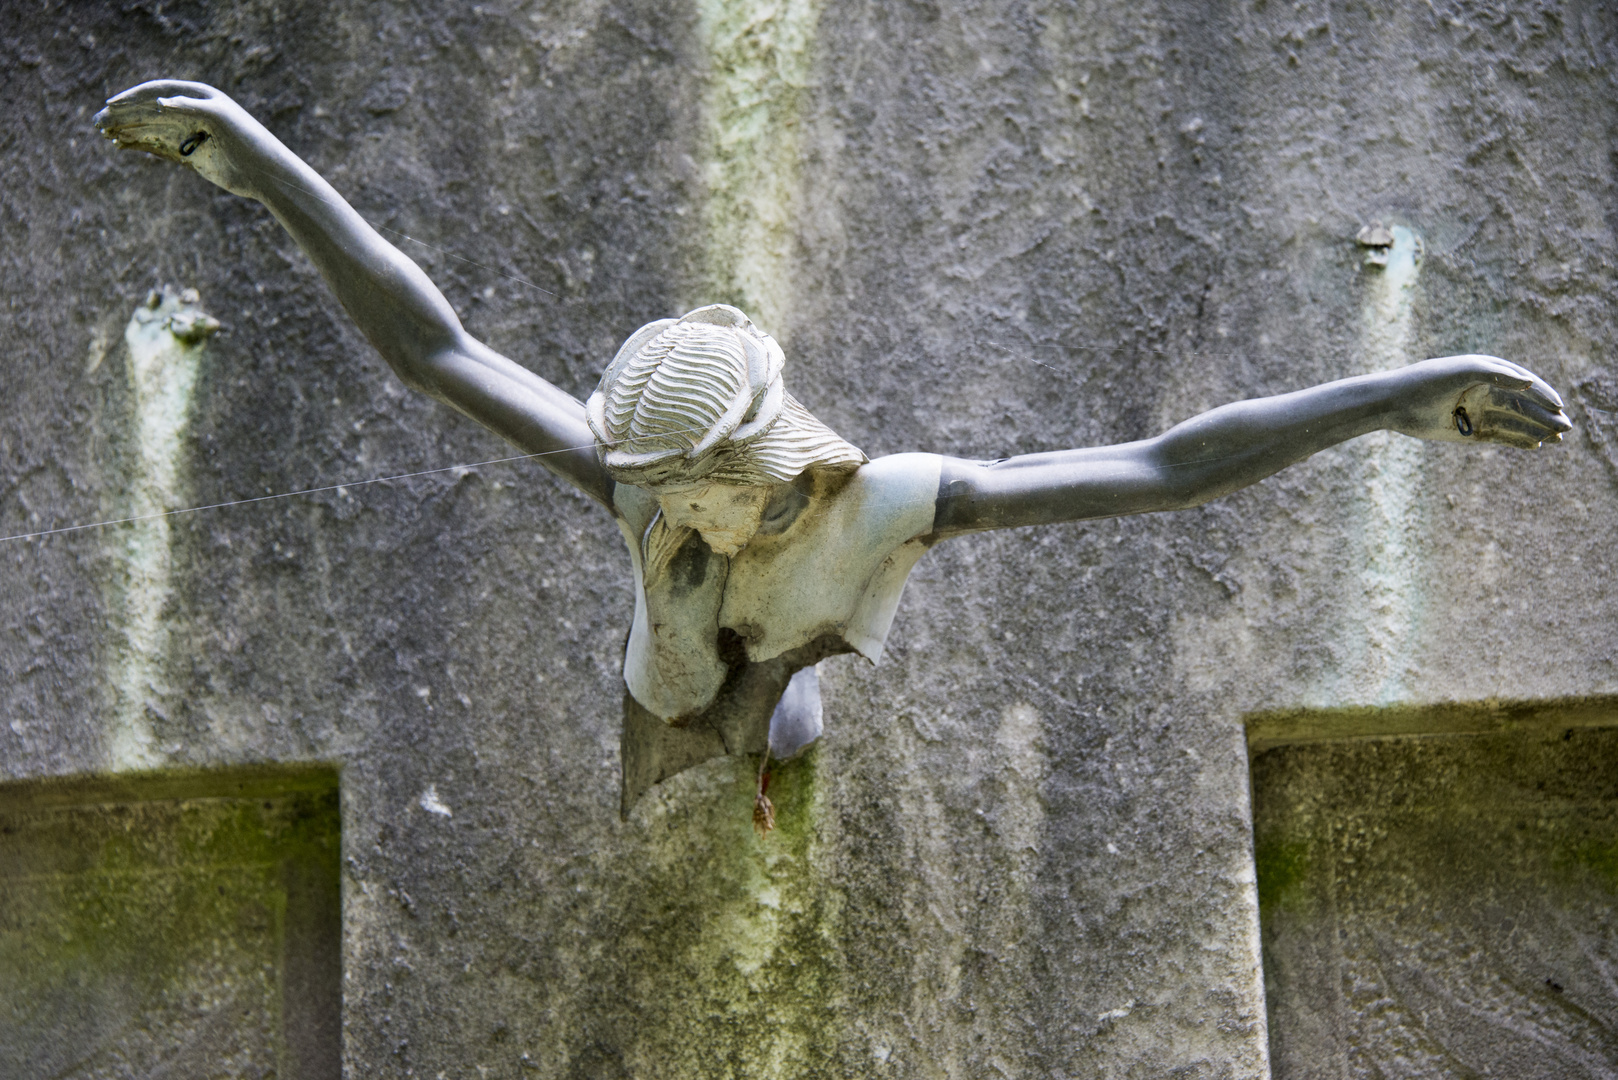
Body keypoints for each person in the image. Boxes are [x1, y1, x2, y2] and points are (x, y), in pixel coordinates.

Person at [94, 81, 1572, 812]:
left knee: (769, 717)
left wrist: (1403, 396)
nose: (685, 507)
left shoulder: (894, 505)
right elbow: (437, 349)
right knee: (677, 678)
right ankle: (707, 715)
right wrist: (250, 156)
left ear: (786, 463)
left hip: (783, 697)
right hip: (665, 691)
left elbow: (1167, 463)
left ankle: (756, 731)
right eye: (663, 486)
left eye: (710, 489)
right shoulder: (641, 491)